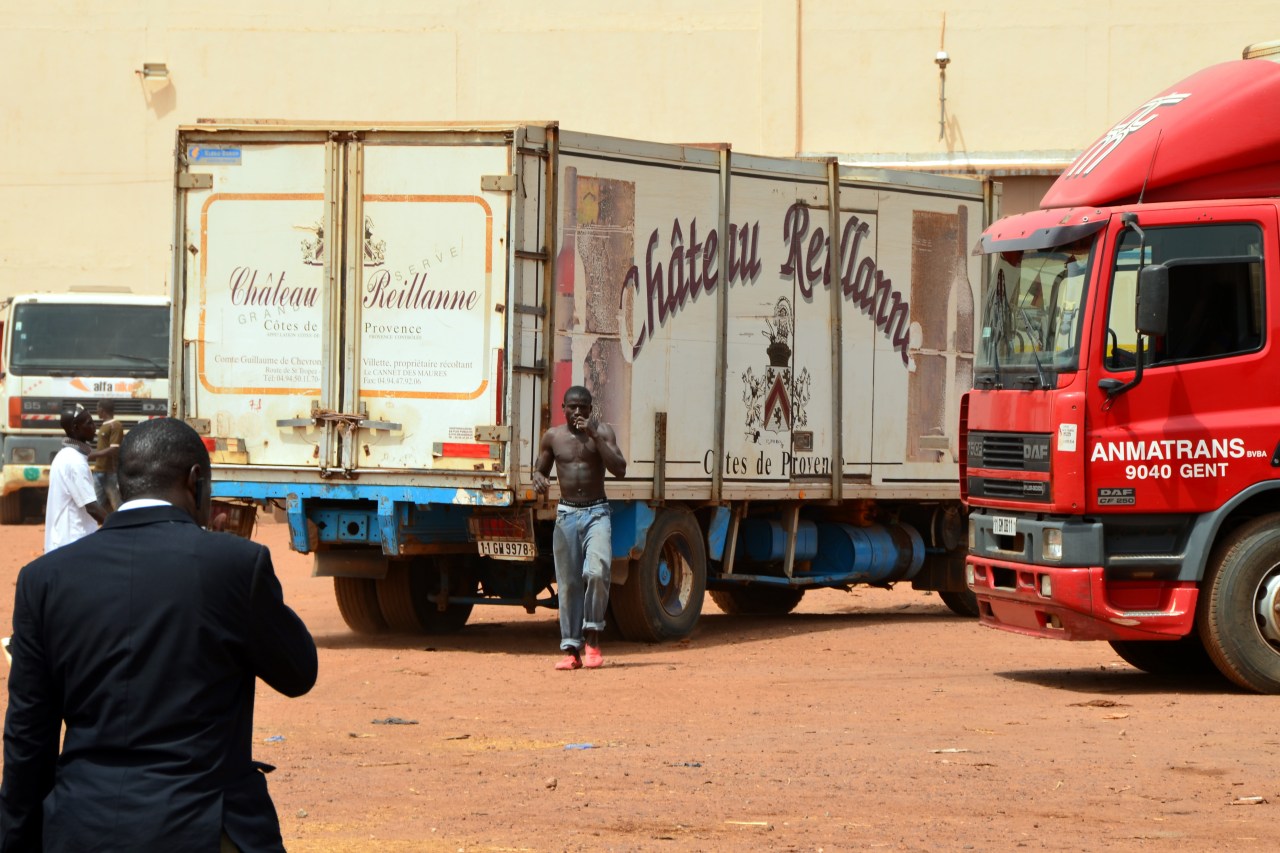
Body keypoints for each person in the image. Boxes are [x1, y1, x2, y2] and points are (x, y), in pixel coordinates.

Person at [1, 417, 318, 852]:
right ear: (195, 480)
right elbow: (298, 674)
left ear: (122, 484)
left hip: (82, 828)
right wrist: (236, 572)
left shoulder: (44, 579)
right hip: (203, 827)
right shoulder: (233, 564)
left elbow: (28, 737)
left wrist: (17, 840)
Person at [532, 386, 627, 670]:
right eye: (572, 407)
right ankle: (571, 650)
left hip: (597, 512)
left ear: (590, 409)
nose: (577, 412)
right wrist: (537, 478)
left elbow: (620, 469)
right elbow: (540, 470)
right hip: (567, 515)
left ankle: (593, 639)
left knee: (597, 572)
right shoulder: (553, 437)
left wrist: (594, 435)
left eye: (583, 407)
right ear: (563, 408)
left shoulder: (603, 432)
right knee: (569, 583)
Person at [43, 404, 106, 553]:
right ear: (76, 428)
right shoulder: (75, 461)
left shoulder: (65, 455)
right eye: (89, 423)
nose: (94, 427)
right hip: (73, 543)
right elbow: (92, 507)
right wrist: (117, 525)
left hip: (65, 543)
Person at [88, 399, 124, 513]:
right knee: (96, 504)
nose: (96, 411)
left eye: (97, 408)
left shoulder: (116, 425)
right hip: (98, 471)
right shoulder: (104, 425)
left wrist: (93, 455)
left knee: (117, 505)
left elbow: (114, 449)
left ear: (102, 410)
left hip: (110, 472)